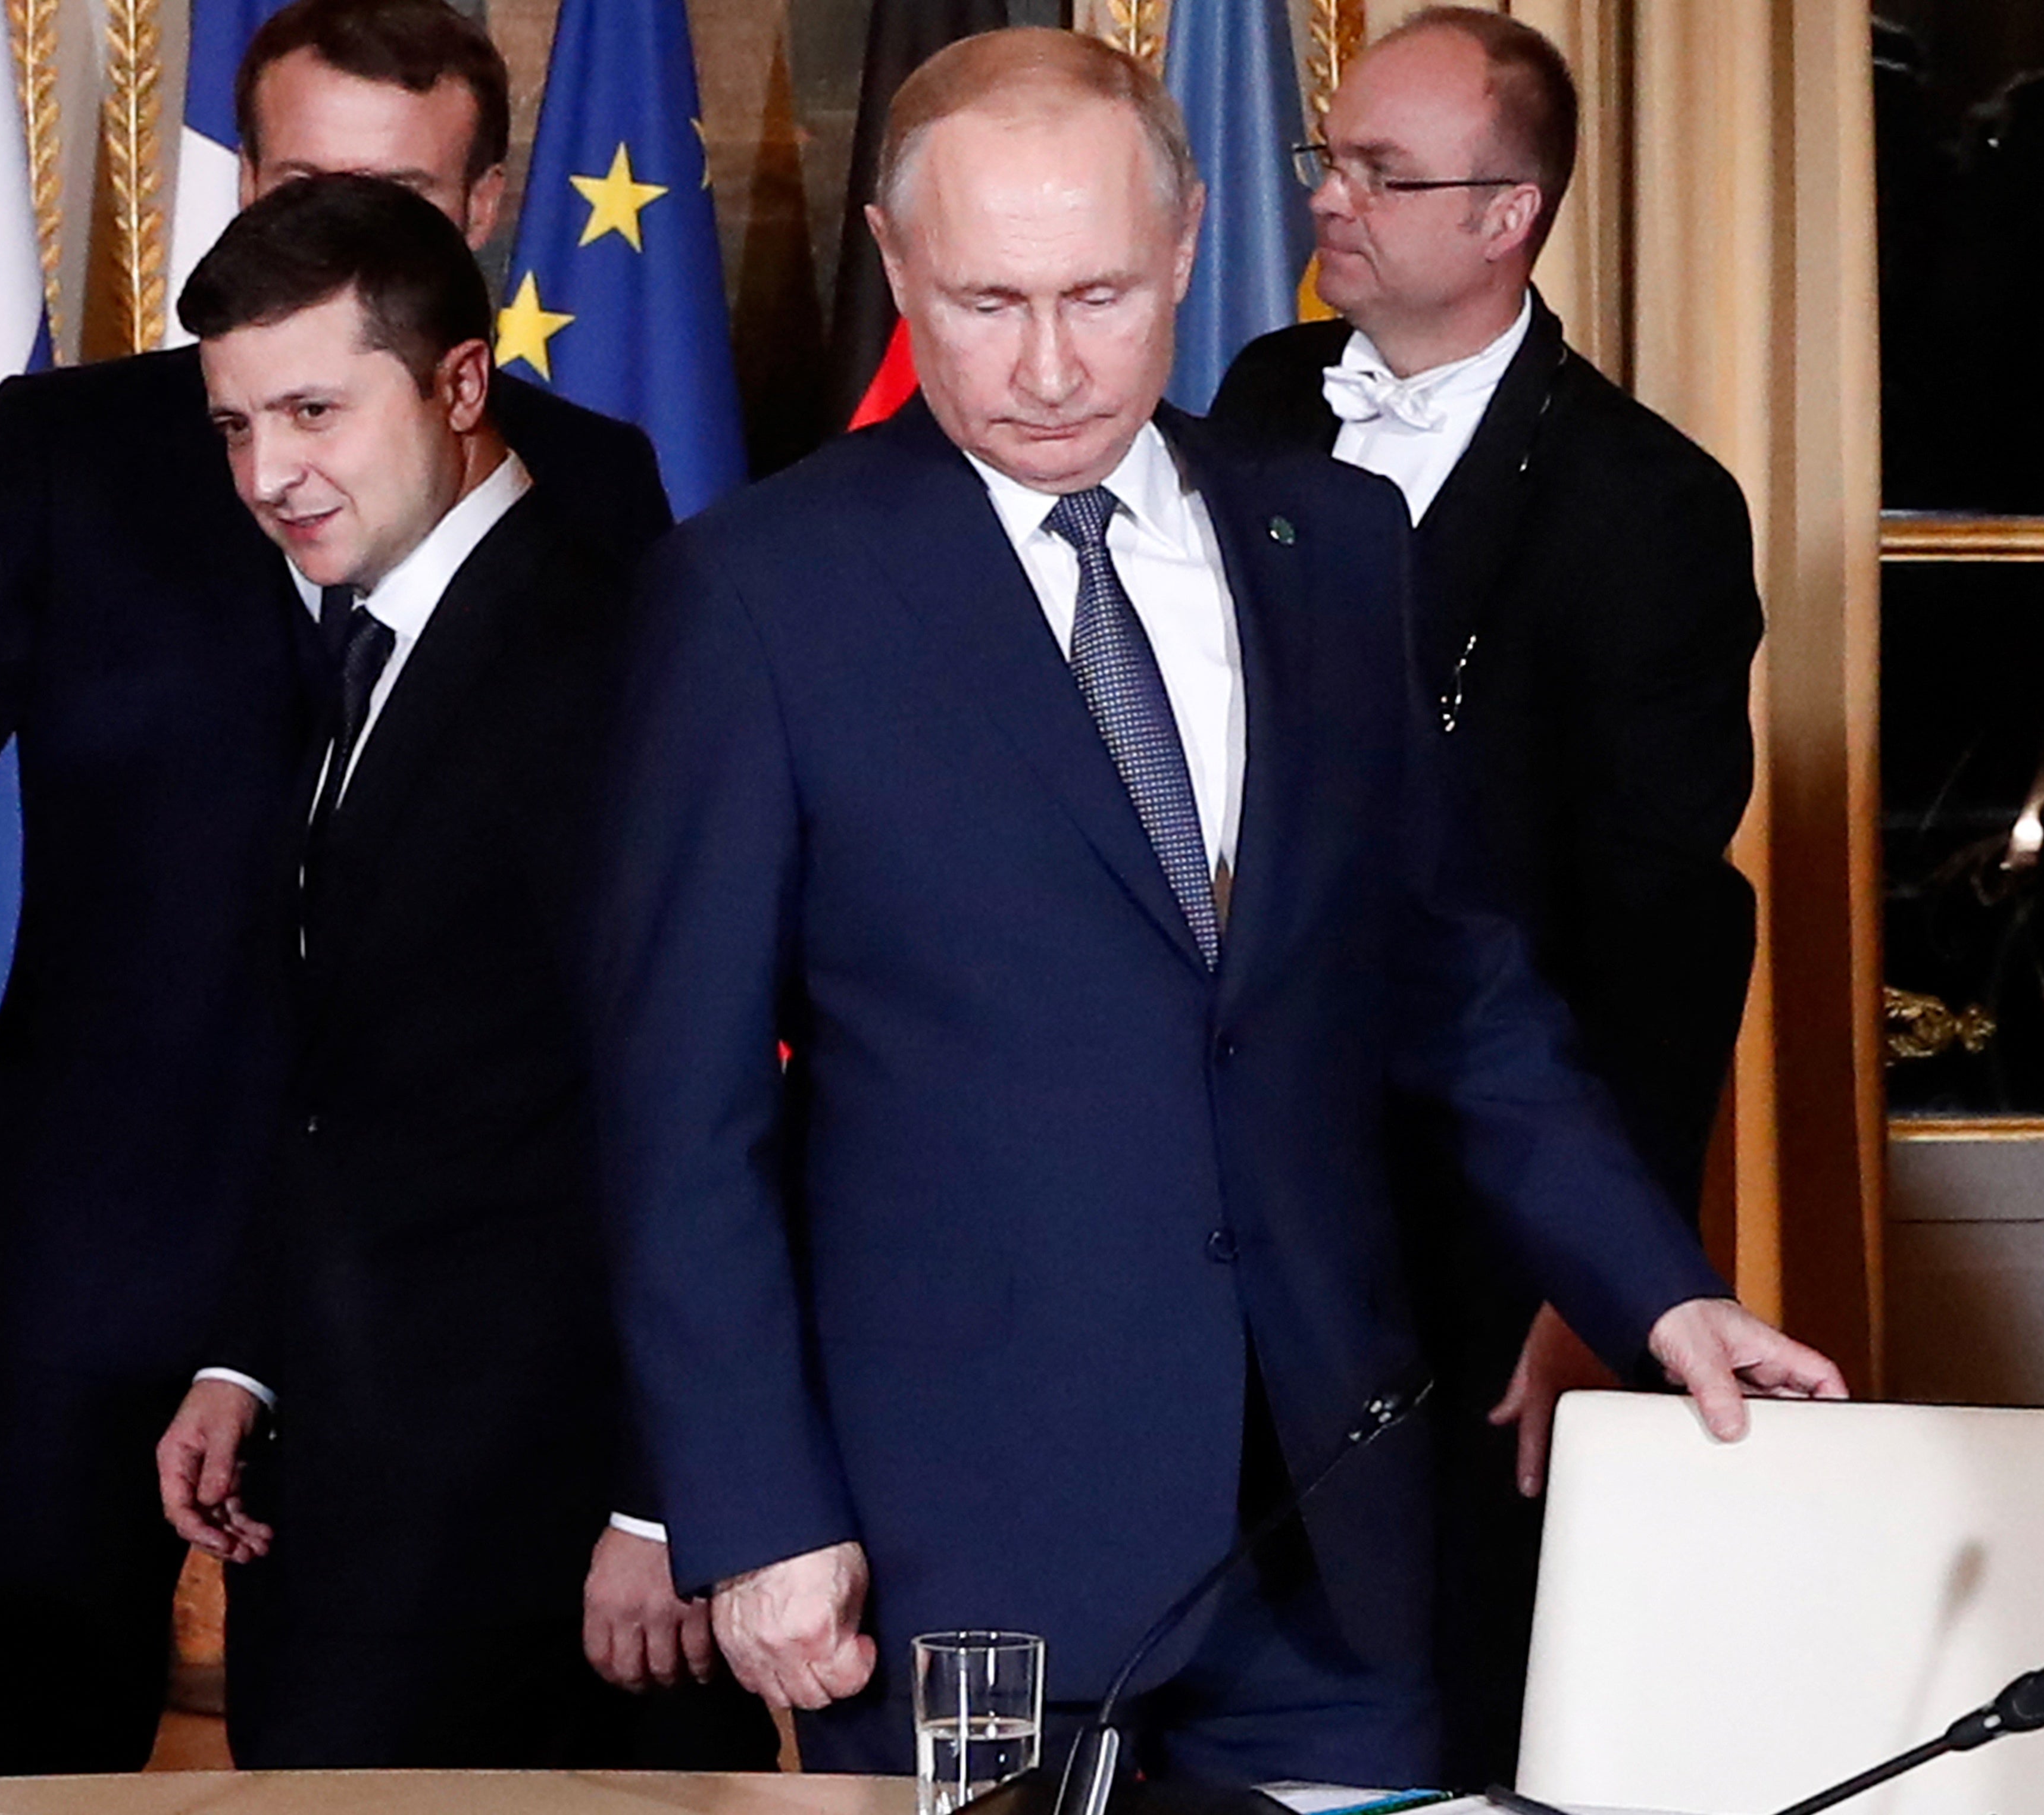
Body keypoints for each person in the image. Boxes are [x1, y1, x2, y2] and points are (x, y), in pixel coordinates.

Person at [588, 26, 1844, 1789]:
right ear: (892, 263)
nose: (1043, 367)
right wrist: (754, 1509)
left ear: (1186, 248)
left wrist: (1657, 1293)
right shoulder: (757, 593)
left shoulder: (1330, 542)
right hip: (955, 1550)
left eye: (1099, 294)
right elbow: (678, 1112)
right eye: (983, 301)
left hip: (1328, 1533)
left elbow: (1458, 989)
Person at [0, 0, 672, 1775]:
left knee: (388, 1752)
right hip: (108, 1233)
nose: (331, 235)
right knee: (31, 1744)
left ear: (490, 212)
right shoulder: (80, 450)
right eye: (294, 183)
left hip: (413, 1279)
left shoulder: (588, 484)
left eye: (400, 200)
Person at [140, 173, 770, 1773]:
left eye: (311, 411)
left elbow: (699, 1097)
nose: (270, 474)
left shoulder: (608, 648)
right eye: (233, 427)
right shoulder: (379, 629)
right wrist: (250, 1352)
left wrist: (665, 1492)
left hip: (552, 1532)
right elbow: (352, 1072)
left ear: (464, 385)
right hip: (358, 1487)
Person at [1208, 10, 1761, 1782]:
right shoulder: (1260, 403)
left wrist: (1590, 1275)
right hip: (1234, 1188)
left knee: (1435, 1676)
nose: (1332, 196)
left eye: (1383, 171)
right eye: (1328, 157)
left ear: (1511, 212)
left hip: (1469, 1221)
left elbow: (1663, 937)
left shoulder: (1649, 505)